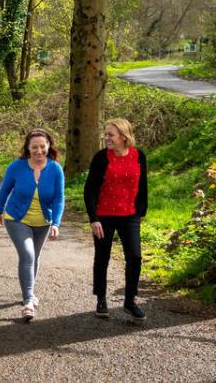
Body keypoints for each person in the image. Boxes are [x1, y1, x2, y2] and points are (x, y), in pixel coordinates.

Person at [0, 130, 65, 321]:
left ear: (49, 146)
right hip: (16, 218)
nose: (39, 150)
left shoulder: (56, 169)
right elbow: (5, 189)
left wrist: (56, 223)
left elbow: (59, 198)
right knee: (27, 254)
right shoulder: (17, 167)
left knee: (35, 256)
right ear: (28, 147)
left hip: (43, 221)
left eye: (43, 146)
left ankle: (29, 291)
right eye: (34, 147)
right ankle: (28, 301)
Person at [84, 118, 148, 321]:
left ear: (123, 136)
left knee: (135, 257)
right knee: (102, 257)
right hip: (104, 216)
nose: (107, 137)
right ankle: (101, 299)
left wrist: (141, 211)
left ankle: (130, 301)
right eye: (106, 133)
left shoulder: (139, 156)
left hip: (130, 215)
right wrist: (94, 219)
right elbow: (90, 190)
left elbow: (143, 185)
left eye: (111, 134)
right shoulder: (101, 157)